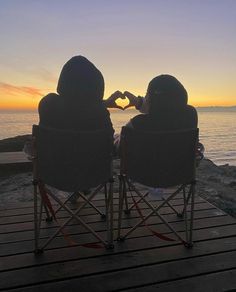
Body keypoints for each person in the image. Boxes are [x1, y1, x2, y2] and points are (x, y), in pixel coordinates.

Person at [39, 55, 122, 134]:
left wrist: (105, 103)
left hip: (53, 148)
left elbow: (74, 105)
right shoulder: (100, 114)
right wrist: (103, 104)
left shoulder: (48, 105)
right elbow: (83, 106)